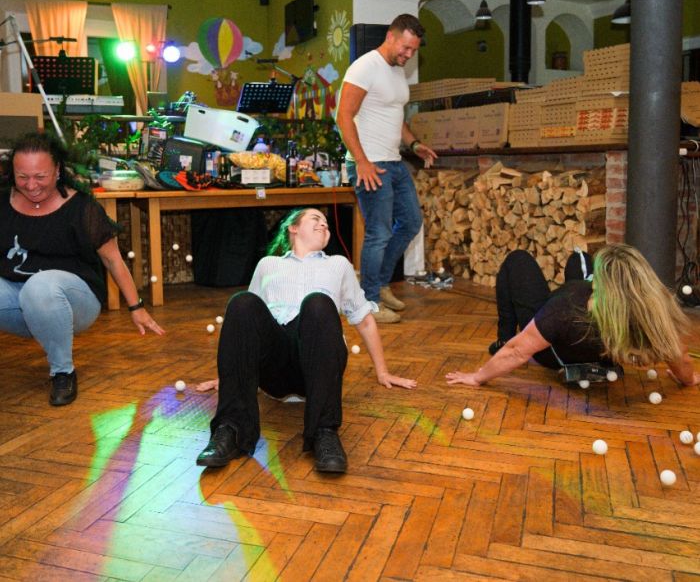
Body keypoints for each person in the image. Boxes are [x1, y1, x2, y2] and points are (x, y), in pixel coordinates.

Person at [196, 207, 417, 473]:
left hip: (317, 362)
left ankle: (323, 432)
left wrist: (383, 371)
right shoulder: (268, 264)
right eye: (315, 219)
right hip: (275, 366)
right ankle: (230, 430)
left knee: (318, 303)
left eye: (326, 223)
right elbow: (246, 327)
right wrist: (229, 377)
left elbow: (365, 319)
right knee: (242, 302)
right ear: (293, 227)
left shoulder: (338, 264)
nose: (324, 225)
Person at [0, 132, 164, 406]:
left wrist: (137, 307)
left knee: (39, 287)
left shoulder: (81, 208)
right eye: (22, 177)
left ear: (57, 171)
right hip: (17, 299)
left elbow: (113, 260)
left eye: (40, 176)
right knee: (31, 290)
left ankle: (62, 372)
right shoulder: (3, 203)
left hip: (74, 300)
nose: (31, 185)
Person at [446, 244, 700, 388]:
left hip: (554, 353)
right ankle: (582, 261)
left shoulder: (563, 311)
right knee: (579, 258)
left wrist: (477, 377)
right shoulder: (655, 310)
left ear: (603, 284)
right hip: (600, 354)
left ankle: (502, 337)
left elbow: (517, 351)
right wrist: (688, 380)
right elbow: (679, 357)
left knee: (517, 260)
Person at [336, 14, 437, 324]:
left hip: (393, 160)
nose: (409, 55)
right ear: (391, 37)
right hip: (370, 163)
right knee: (378, 233)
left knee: (411, 222)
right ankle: (367, 302)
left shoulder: (396, 70)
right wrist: (362, 162)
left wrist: (414, 144)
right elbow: (344, 116)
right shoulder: (365, 67)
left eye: (414, 50)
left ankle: (379, 285)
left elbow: (395, 115)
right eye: (405, 48)